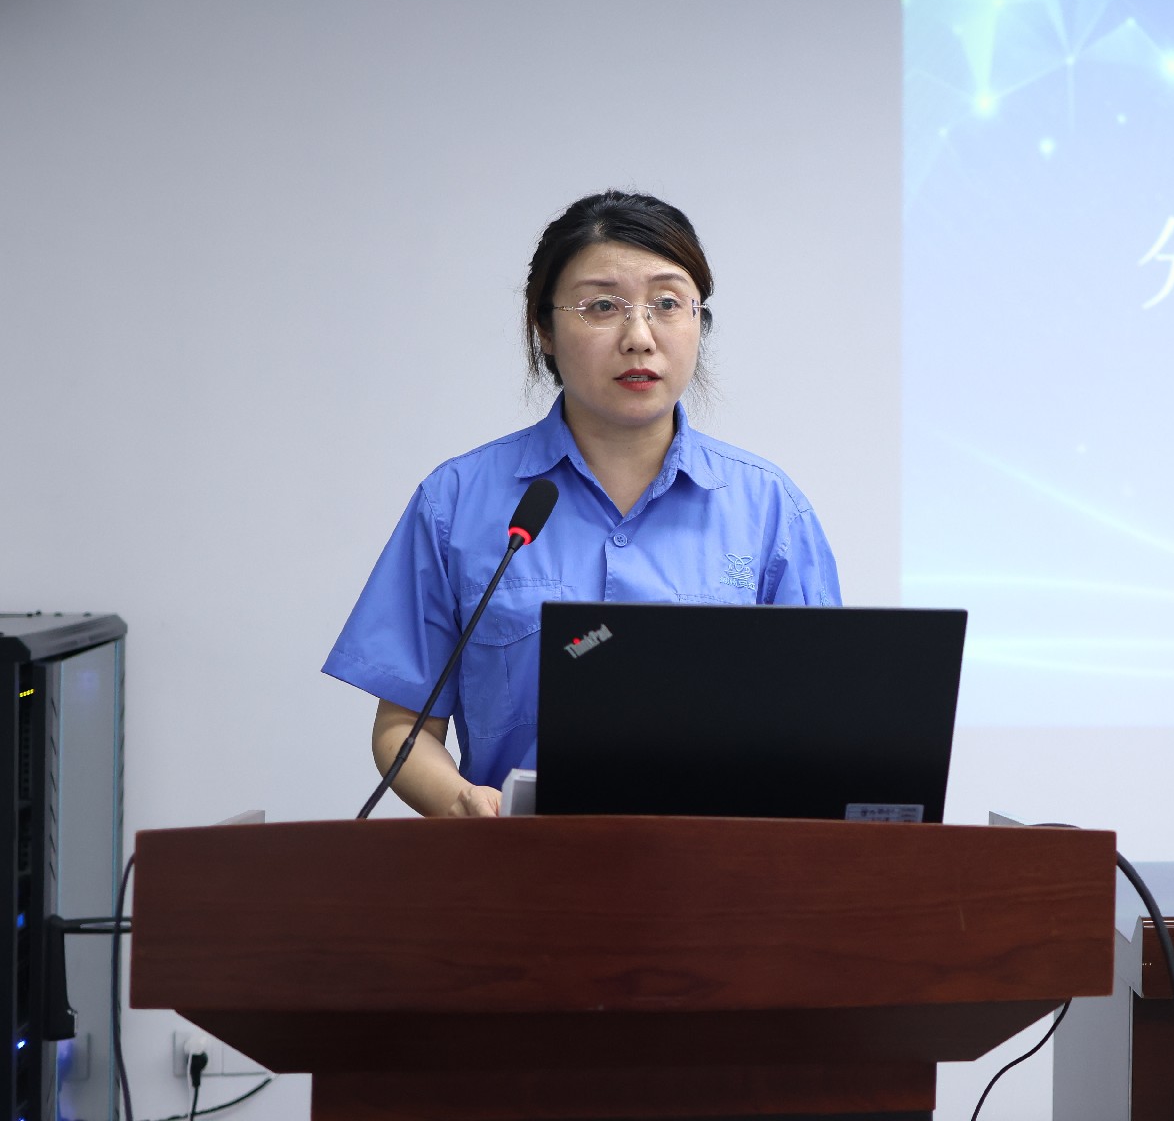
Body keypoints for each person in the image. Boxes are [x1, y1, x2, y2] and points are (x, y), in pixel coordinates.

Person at [323, 191, 840, 817]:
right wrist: (461, 803)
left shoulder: (768, 509)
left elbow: (822, 724)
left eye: (667, 304)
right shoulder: (456, 502)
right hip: (520, 862)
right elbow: (404, 726)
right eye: (602, 306)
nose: (639, 338)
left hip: (713, 867)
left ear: (699, 321)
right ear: (543, 328)